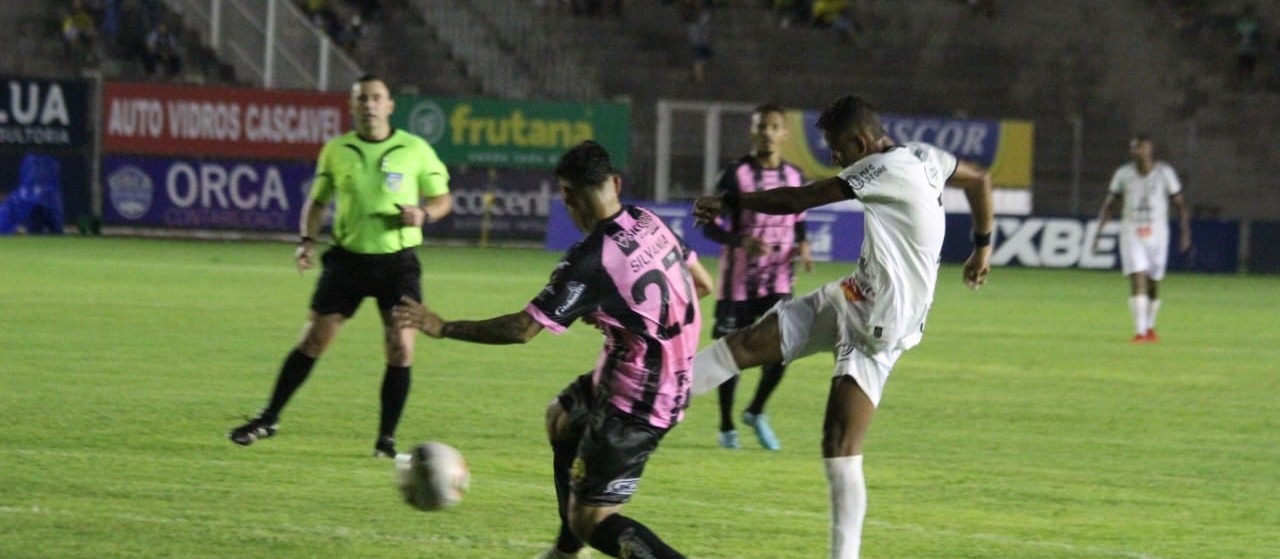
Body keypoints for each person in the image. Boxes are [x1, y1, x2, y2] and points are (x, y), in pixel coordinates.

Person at [689, 95, 994, 559]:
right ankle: (650, 397)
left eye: (836, 147)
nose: (833, 157)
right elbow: (980, 180)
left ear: (860, 141)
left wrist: (729, 200)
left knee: (839, 443)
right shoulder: (924, 156)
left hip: (879, 325)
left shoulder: (881, 169)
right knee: (746, 344)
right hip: (852, 295)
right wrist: (982, 247)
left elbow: (799, 199)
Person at [393, 141, 714, 559]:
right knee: (561, 418)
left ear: (566, 195)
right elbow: (702, 285)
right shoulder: (648, 219)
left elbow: (522, 329)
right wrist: (623, 313)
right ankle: (566, 551)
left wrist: (444, 326)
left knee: (594, 521)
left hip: (637, 400)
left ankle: (582, 537)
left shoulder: (589, 258)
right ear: (615, 183)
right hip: (653, 376)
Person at [228, 75, 453, 457]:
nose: (369, 105)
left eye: (376, 98)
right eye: (362, 98)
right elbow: (317, 203)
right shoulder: (336, 150)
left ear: (390, 105)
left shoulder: (414, 149)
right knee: (313, 340)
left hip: (397, 264)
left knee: (400, 347)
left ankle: (386, 440)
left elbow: (443, 198)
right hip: (347, 261)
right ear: (352, 106)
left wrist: (423, 213)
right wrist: (306, 242)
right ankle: (269, 418)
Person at [702, 103, 812, 451]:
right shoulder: (735, 175)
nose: (767, 132)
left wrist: (804, 244)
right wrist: (740, 241)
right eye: (761, 126)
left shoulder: (795, 176)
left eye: (774, 126)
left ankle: (756, 411)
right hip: (737, 286)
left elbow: (799, 219)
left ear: (784, 134)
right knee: (729, 355)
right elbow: (706, 222)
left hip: (778, 282)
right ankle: (726, 426)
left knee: (783, 349)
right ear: (752, 132)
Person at [1090, 134, 1190, 344]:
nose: (1139, 152)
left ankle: (1150, 327)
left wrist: (1185, 232)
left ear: (1150, 149)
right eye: (1135, 148)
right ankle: (1140, 332)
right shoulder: (1123, 174)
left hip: (1158, 234)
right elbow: (1110, 204)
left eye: (1142, 147)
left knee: (1154, 283)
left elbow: (1180, 204)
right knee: (1137, 278)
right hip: (1132, 232)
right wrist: (1098, 233)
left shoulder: (1165, 173)